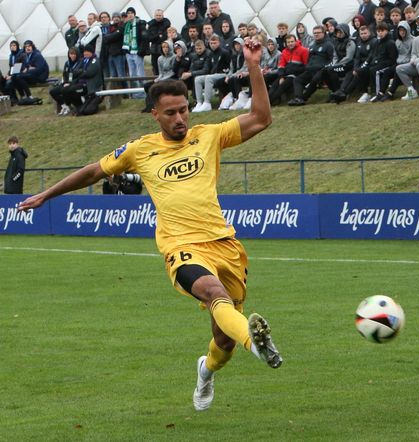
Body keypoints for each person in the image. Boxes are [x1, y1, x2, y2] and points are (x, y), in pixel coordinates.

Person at [18, 39, 282, 412]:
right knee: (212, 294)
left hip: (224, 244)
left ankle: (206, 370)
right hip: (180, 246)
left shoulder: (208, 136)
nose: (180, 119)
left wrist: (253, 65)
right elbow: (95, 170)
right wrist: (47, 195)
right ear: (154, 115)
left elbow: (261, 118)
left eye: (184, 110)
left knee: (221, 343)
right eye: (171, 112)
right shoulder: (140, 149)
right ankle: (254, 342)